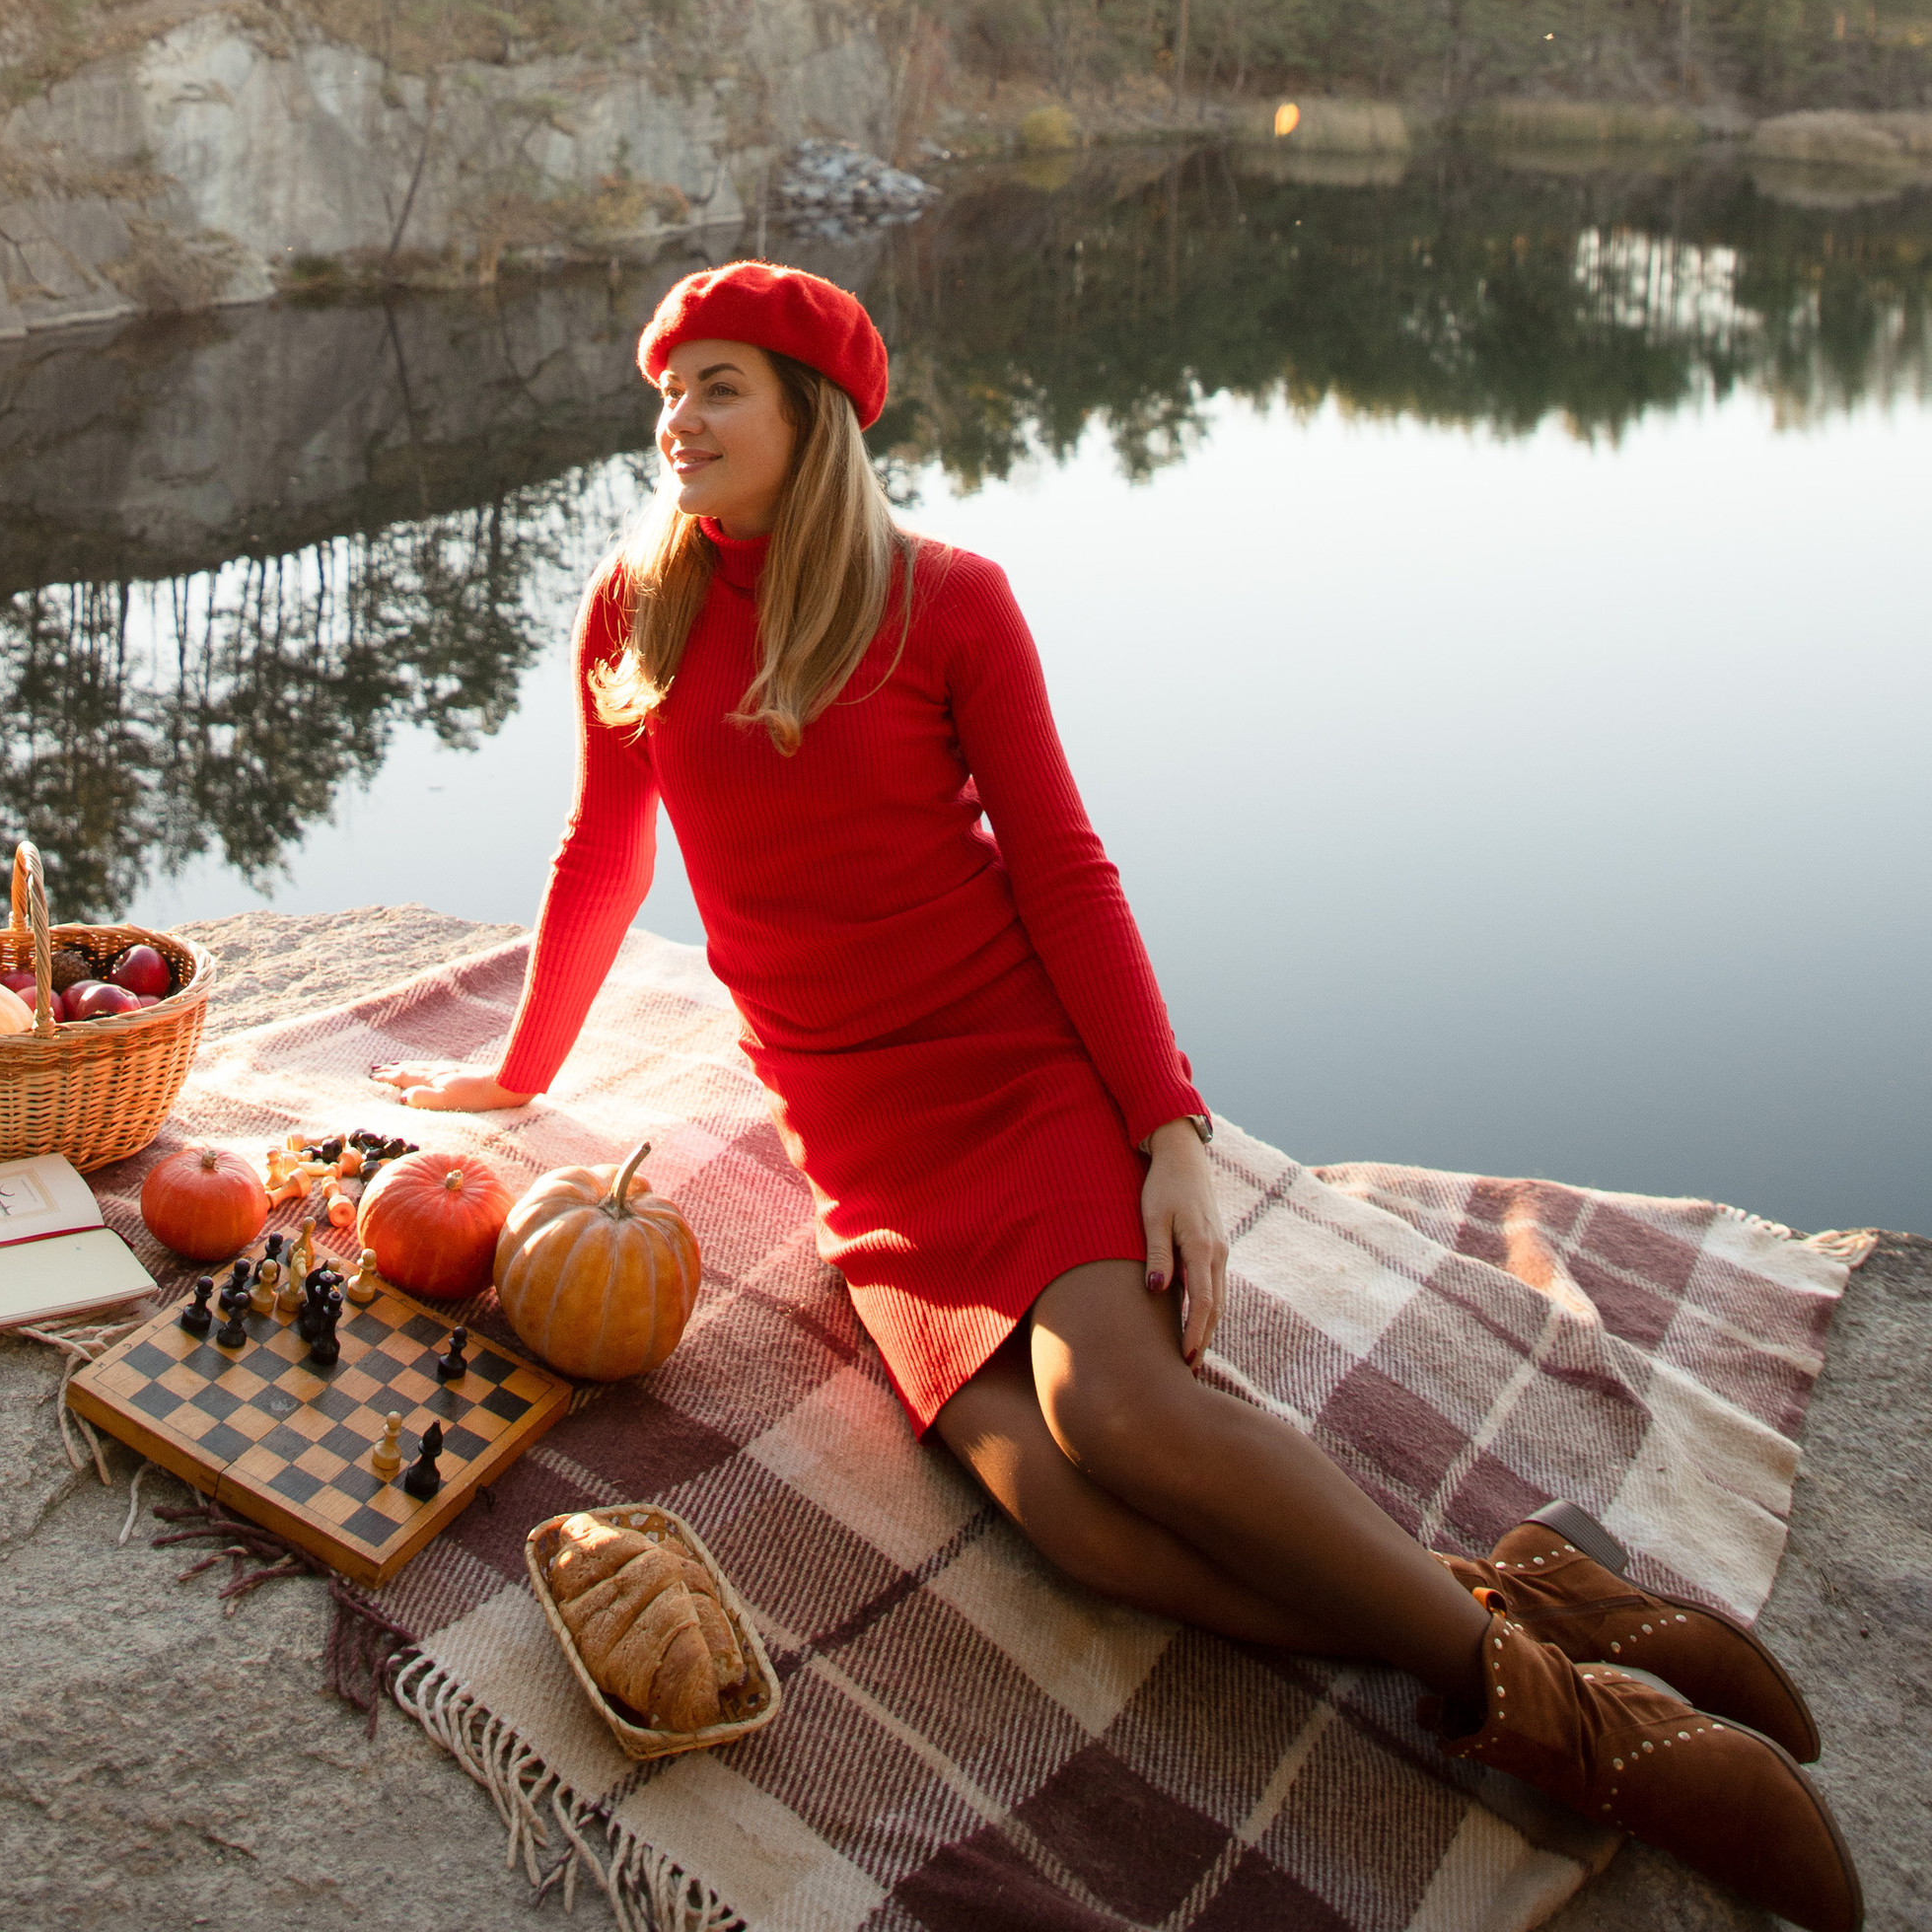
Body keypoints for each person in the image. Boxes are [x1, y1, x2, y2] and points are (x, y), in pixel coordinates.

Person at [384, 261, 1860, 1930]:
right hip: (857, 1143)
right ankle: (1538, 1611)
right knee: (1073, 1531)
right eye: (669, 389)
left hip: (1011, 1081)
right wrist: (517, 1067)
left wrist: (1167, 1131)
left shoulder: (947, 599)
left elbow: (1066, 873)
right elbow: (603, 850)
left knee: (1126, 1418)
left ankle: (1600, 1746)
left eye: (720, 386)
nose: (679, 419)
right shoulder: (632, 609)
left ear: (818, 417)